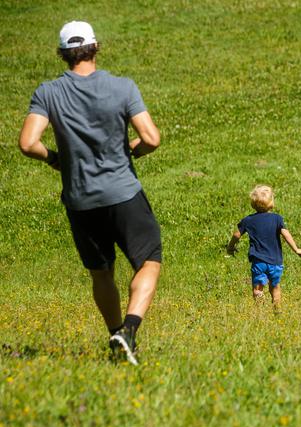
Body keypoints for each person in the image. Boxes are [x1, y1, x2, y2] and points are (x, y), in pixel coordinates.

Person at [18, 21, 162, 365]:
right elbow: (152, 138)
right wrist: (133, 151)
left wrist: (55, 159)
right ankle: (128, 330)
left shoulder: (47, 93)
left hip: (80, 199)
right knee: (149, 260)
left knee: (101, 272)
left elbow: (27, 143)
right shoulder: (122, 87)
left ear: (63, 54)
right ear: (96, 47)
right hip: (123, 193)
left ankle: (115, 335)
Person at [226, 185, 301, 311]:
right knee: (275, 287)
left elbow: (236, 234)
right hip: (275, 262)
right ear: (271, 203)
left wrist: (230, 247)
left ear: (253, 204)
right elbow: (286, 234)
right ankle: (277, 309)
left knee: (257, 288)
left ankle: (260, 311)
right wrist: (296, 249)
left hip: (259, 262)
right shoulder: (277, 219)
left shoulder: (248, 220)